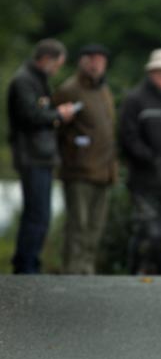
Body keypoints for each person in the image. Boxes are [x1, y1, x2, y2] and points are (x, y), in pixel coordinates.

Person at [7, 38, 78, 273]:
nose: (57, 70)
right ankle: (26, 266)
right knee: (37, 214)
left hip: (42, 154)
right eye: (57, 65)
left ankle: (30, 263)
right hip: (31, 155)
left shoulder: (38, 80)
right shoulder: (24, 80)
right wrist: (58, 115)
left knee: (41, 214)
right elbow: (30, 115)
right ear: (46, 59)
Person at [118, 48, 161, 274]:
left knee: (160, 233)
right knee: (151, 232)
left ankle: (152, 275)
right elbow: (127, 137)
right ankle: (143, 272)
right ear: (151, 71)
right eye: (160, 70)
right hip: (144, 179)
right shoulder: (135, 99)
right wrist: (149, 159)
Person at [53, 44, 118, 274]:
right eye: (91, 59)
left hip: (104, 169)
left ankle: (86, 271)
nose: (95, 64)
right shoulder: (69, 89)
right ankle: (72, 271)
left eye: (100, 59)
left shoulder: (104, 90)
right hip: (79, 169)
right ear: (81, 61)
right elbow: (55, 126)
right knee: (77, 225)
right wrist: (73, 150)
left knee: (95, 226)